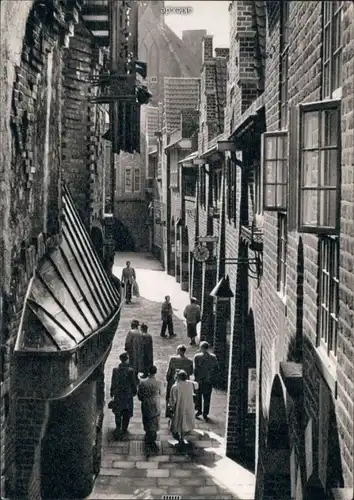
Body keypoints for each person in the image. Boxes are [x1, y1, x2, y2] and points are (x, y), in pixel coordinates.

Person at [110, 352, 137, 439]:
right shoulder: (130, 371)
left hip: (118, 394)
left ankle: (118, 427)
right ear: (127, 359)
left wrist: (112, 391)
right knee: (127, 412)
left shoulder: (115, 370)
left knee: (118, 412)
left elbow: (113, 382)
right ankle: (124, 428)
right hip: (127, 394)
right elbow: (133, 383)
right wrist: (134, 392)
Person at [169, 370, 198, 447]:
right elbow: (196, 385)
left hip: (179, 406)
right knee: (186, 421)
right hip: (188, 405)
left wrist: (171, 407)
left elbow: (172, 399)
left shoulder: (175, 387)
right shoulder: (189, 384)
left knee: (179, 421)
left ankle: (180, 437)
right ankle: (183, 436)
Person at [137, 365, 161, 451]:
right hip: (155, 403)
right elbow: (161, 393)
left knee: (147, 419)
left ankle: (147, 433)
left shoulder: (142, 382)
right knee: (154, 420)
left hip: (146, 403)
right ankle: (153, 437)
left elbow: (139, 395)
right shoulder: (159, 382)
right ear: (155, 372)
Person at [193, 341, 219, 421]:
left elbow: (195, 369)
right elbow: (216, 368)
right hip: (208, 380)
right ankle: (205, 413)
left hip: (199, 380)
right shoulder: (213, 357)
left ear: (201, 348)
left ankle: (199, 410)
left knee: (198, 396)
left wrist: (196, 377)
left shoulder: (197, 357)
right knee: (207, 397)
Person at [165, 345, 193, 416]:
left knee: (170, 397)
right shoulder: (189, 361)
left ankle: (169, 412)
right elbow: (190, 372)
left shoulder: (173, 359)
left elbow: (169, 371)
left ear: (179, 351)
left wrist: (168, 379)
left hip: (173, 381)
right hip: (184, 382)